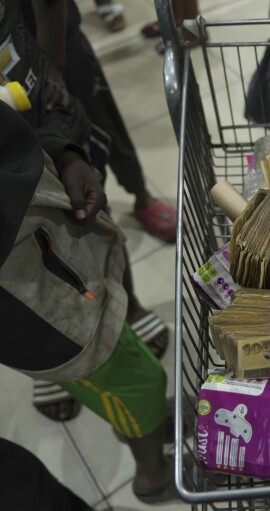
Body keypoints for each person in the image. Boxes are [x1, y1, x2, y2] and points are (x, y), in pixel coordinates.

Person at [4, 0, 170, 421]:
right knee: (28, 280)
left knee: (90, 214)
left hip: (39, 91)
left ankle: (125, 304)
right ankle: (55, 359)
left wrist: (54, 74)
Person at [0, 102, 173, 502]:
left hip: (52, 249)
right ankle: (154, 476)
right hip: (33, 300)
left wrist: (61, 151)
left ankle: (138, 418)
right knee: (140, 382)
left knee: (122, 351)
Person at [23, 0, 179, 244]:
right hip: (11, 70)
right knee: (39, 154)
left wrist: (52, 67)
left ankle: (140, 192)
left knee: (105, 126)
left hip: (57, 41)